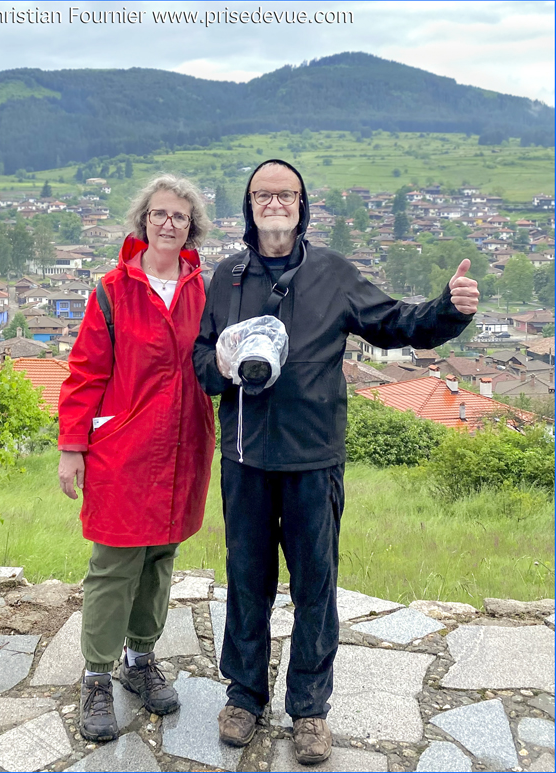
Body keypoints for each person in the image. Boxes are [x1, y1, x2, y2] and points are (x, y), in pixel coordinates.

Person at [193, 159, 479, 764]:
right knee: (247, 581)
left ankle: (310, 710)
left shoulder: (333, 274)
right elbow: (199, 358)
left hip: (312, 458)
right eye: (262, 194)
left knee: (315, 588)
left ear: (303, 205)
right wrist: (217, 367)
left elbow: (399, 323)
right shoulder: (228, 276)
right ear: (249, 206)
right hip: (245, 457)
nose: (275, 202)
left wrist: (449, 308)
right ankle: (244, 696)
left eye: (286, 194)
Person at [58, 174, 216, 743]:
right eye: (158, 214)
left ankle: (140, 661)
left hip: (183, 448)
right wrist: (72, 449)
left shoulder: (207, 290)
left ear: (191, 225)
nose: (168, 223)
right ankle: (97, 675)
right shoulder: (113, 290)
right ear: (142, 222)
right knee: (114, 564)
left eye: (178, 215)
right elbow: (85, 373)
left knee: (159, 558)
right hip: (124, 449)